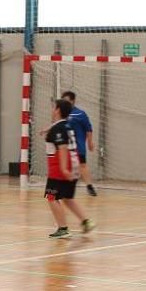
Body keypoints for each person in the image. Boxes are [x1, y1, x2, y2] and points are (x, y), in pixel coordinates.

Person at [44, 98, 95, 239]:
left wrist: (64, 169)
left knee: (51, 196)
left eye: (54, 107)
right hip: (74, 166)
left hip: (60, 170)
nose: (52, 109)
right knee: (67, 198)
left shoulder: (58, 129)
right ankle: (86, 222)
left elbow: (62, 148)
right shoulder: (68, 125)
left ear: (58, 110)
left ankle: (63, 228)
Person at [61, 91, 96, 196]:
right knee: (64, 166)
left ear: (72, 101)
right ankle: (64, 187)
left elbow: (89, 129)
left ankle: (89, 186)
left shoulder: (80, 114)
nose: (64, 103)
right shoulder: (62, 114)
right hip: (64, 146)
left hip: (78, 146)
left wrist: (90, 142)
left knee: (82, 165)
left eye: (66, 101)